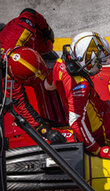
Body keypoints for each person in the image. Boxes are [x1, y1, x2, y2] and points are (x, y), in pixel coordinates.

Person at [44, 32, 110, 161]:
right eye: (98, 62)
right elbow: (76, 122)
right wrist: (97, 150)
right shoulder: (80, 86)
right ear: (86, 60)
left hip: (104, 111)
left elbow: (48, 85)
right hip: (101, 131)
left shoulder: (60, 63)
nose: (100, 66)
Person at [0, 8, 65, 144]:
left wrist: (46, 29)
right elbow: (21, 106)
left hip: (11, 36)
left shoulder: (24, 28)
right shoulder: (9, 81)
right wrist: (43, 129)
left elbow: (30, 12)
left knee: (48, 46)